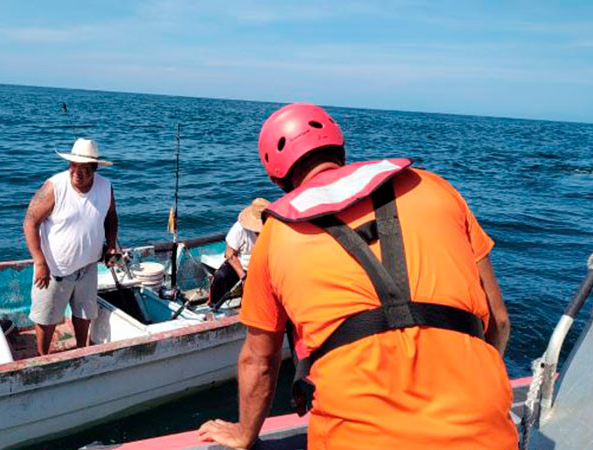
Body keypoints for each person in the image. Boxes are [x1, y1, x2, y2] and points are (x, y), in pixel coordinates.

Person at [199, 104, 517, 449]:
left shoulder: (275, 238)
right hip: (485, 433)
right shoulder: (435, 188)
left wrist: (246, 434)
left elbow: (259, 362)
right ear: (340, 148)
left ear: (276, 177)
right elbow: (498, 321)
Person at [23, 138, 119, 355]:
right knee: (46, 320)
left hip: (88, 267)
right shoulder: (54, 187)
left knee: (85, 315)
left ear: (94, 168)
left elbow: (111, 217)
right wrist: (40, 262)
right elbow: (30, 221)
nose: (77, 172)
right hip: (54, 271)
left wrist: (111, 246)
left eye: (84, 168)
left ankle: (80, 352)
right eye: (73, 166)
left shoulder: (106, 187)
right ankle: (43, 358)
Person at [207, 198, 269, 307]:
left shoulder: (275, 228)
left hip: (263, 265)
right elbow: (230, 253)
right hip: (241, 264)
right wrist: (243, 275)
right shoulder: (239, 228)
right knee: (221, 277)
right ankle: (213, 304)